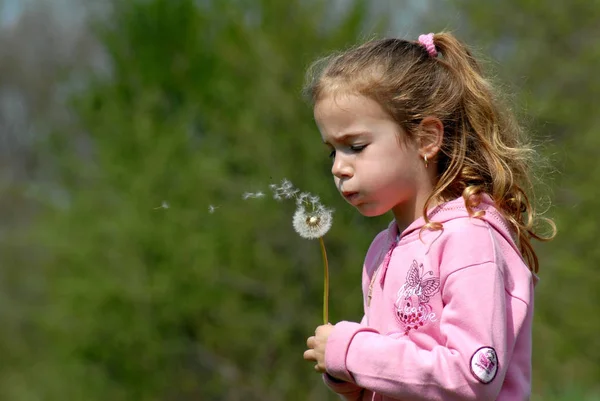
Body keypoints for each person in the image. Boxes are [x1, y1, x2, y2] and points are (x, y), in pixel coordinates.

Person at [301, 32, 556, 400]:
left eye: (355, 146)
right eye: (333, 152)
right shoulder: (381, 250)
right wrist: (352, 378)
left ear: (426, 139)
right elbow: (398, 373)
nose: (339, 168)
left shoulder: (469, 240)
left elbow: (473, 377)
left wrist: (354, 353)